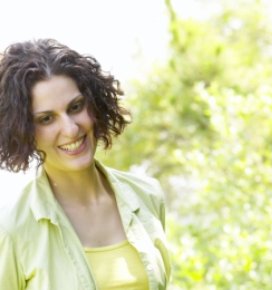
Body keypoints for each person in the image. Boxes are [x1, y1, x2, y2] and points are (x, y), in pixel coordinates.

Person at [0, 39, 172, 289]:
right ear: (23, 131)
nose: (71, 129)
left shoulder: (147, 195)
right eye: (47, 119)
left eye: (76, 107)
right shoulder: (12, 229)